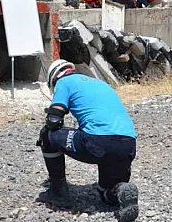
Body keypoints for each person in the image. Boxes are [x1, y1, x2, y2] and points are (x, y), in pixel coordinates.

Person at [37, 60, 139, 221]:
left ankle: (58, 191)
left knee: (47, 135)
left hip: (98, 142)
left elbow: (54, 120)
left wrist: (52, 115)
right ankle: (121, 190)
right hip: (128, 145)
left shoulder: (63, 81)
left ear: (53, 79)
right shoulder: (101, 84)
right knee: (105, 193)